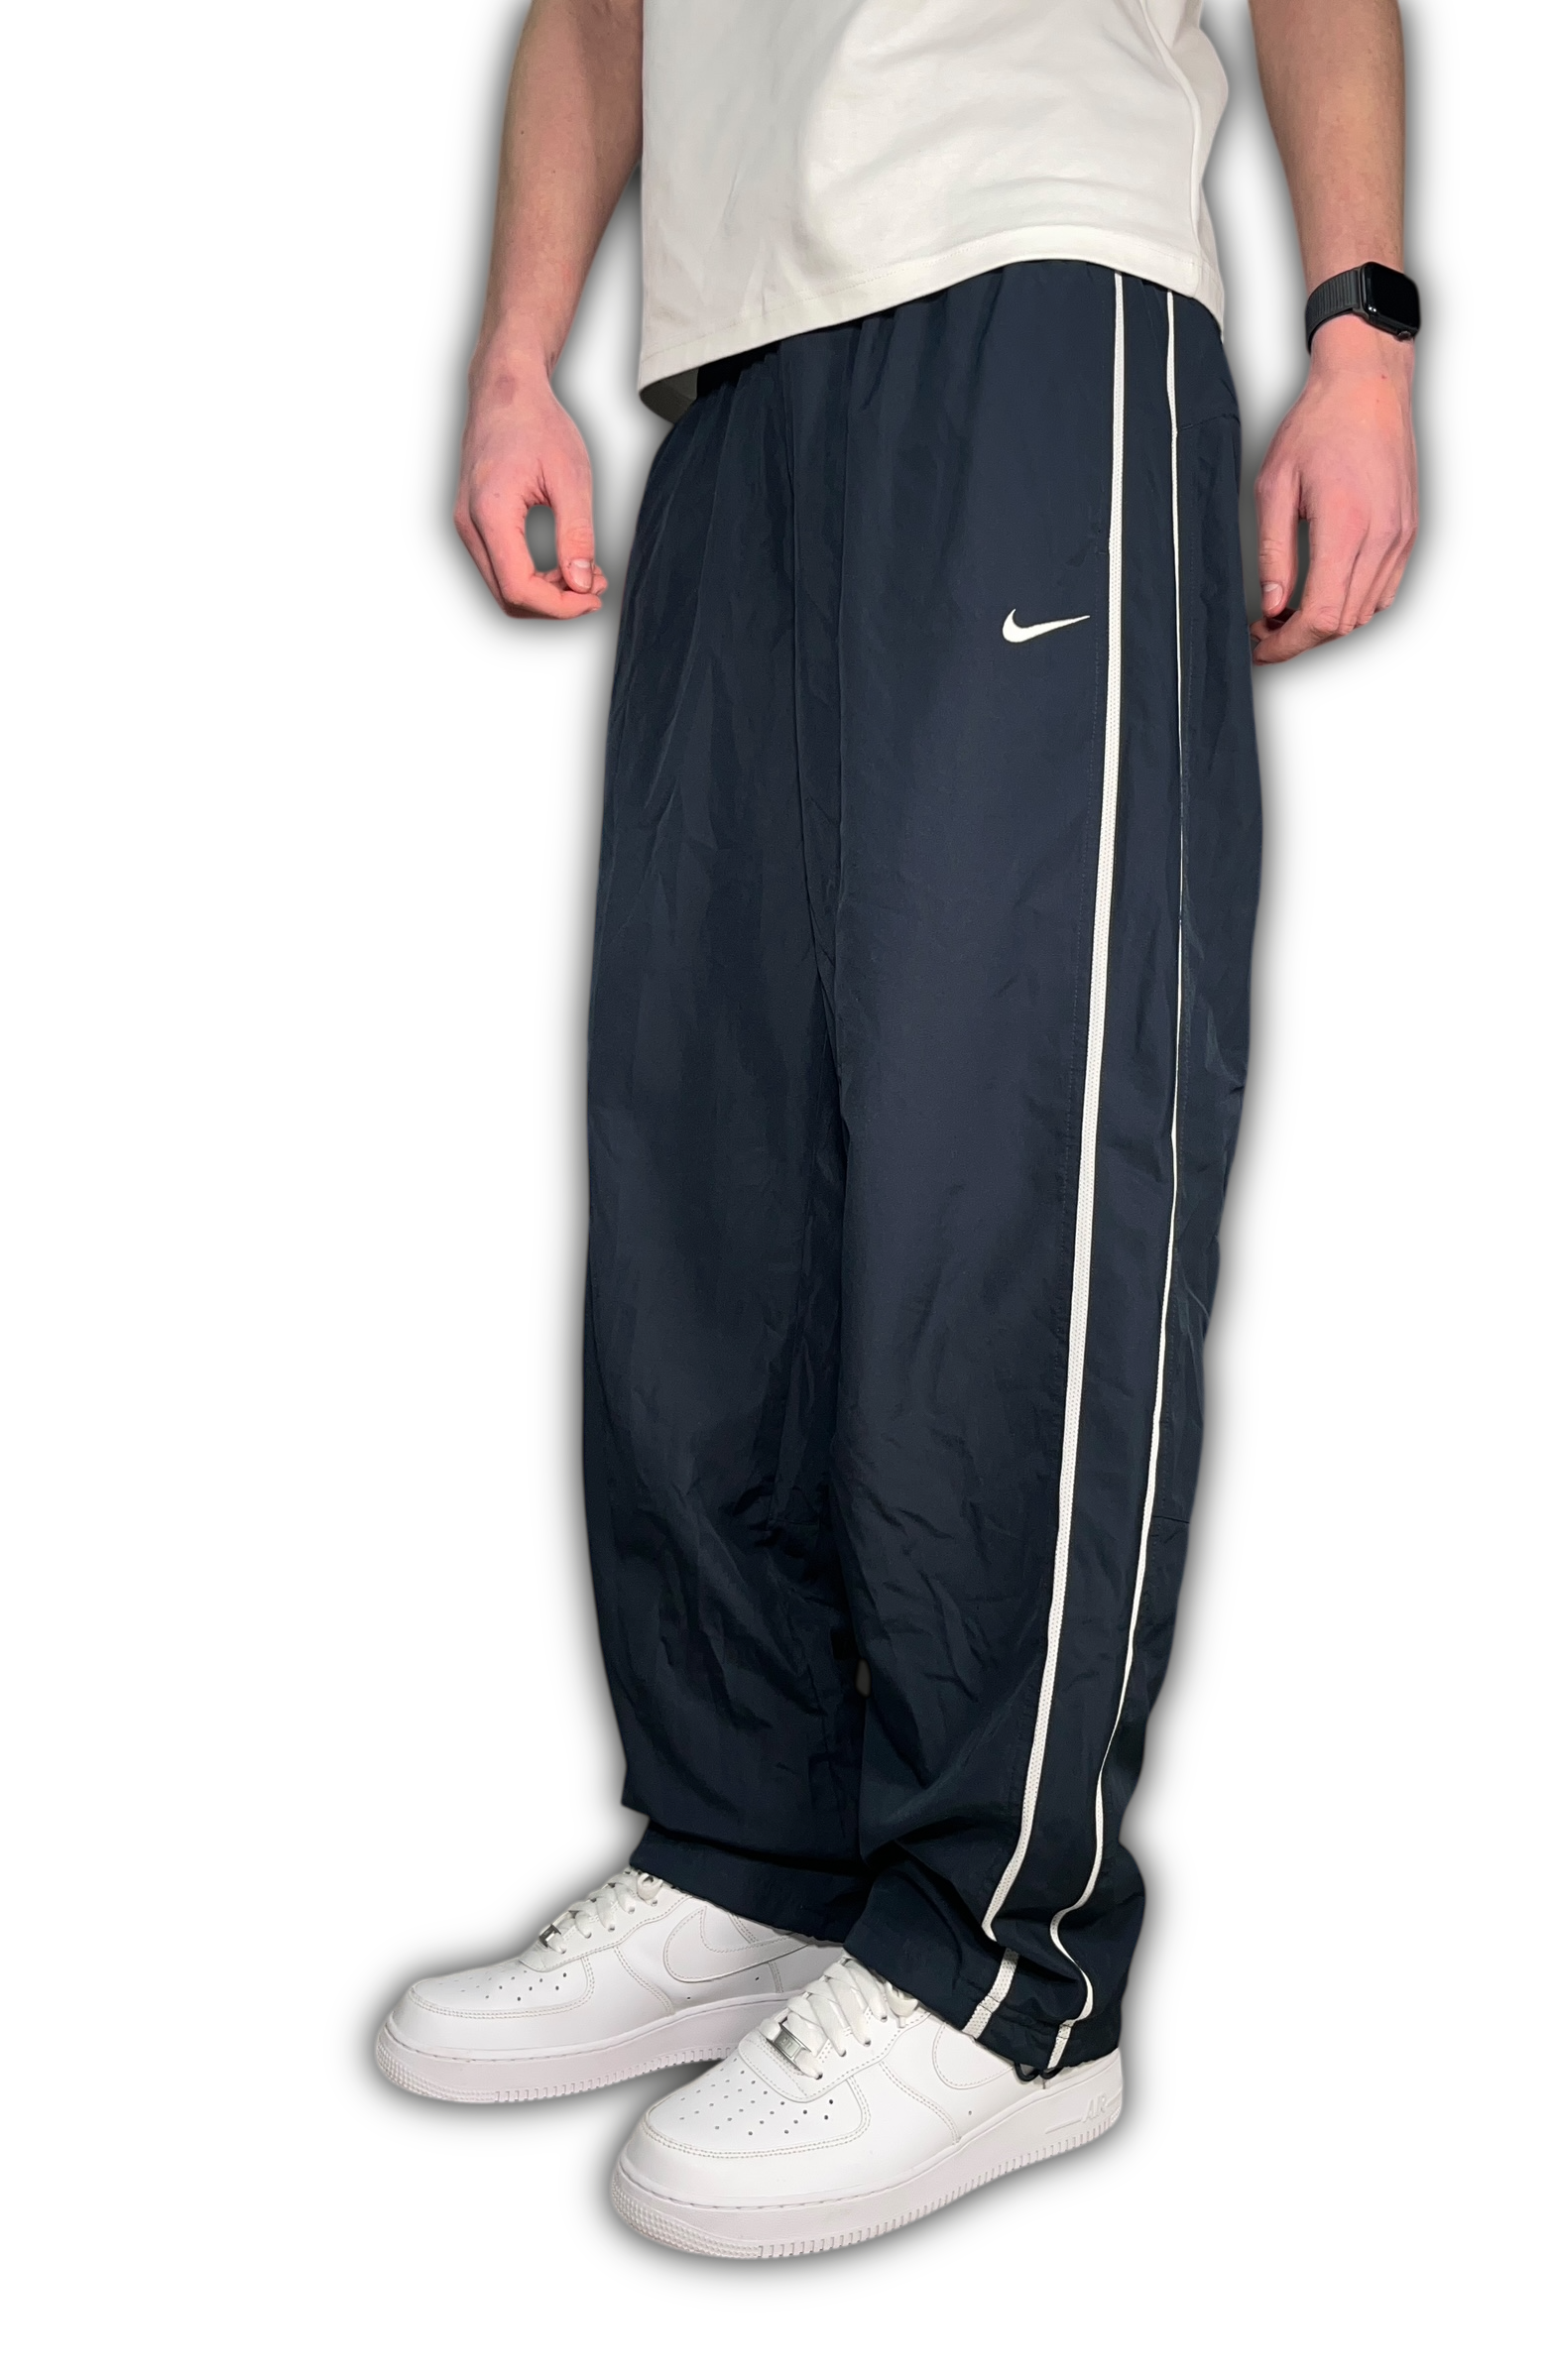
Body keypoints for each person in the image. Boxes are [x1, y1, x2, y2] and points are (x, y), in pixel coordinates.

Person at [378, 0, 1419, 2260]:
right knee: (708, 1153)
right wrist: (514, 353)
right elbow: (593, 14)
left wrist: (1360, 329)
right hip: (734, 370)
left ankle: (1008, 1968)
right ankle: (747, 1853)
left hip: (1034, 281)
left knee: (1004, 1134)